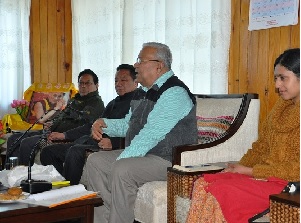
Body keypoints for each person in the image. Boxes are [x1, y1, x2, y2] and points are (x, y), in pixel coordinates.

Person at [87, 42, 198, 223]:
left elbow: (150, 135)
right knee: (96, 161)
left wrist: (121, 160)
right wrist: (102, 123)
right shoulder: (142, 92)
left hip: (169, 160)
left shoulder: (174, 93)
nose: (135, 65)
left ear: (158, 65)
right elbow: (129, 125)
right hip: (146, 155)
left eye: (140, 60)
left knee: (122, 169)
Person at [185, 48, 300, 223]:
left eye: (283, 78)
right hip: (266, 176)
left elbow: (297, 169)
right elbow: (260, 147)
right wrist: (238, 167)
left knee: (221, 191)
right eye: (276, 78)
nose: (277, 85)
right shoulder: (280, 108)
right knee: (203, 183)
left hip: (290, 188)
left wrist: (249, 171)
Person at [40, 64, 145, 185]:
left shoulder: (139, 102)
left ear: (136, 82)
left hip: (111, 145)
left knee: (75, 151)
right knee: (48, 151)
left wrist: (115, 142)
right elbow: (92, 125)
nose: (118, 84)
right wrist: (64, 135)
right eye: (116, 80)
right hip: (90, 140)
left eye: (124, 80)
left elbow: (137, 130)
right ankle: (60, 185)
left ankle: (69, 190)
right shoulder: (113, 103)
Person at [6, 69, 105, 166]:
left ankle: (23, 176)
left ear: (96, 85)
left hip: (66, 136)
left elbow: (84, 119)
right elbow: (62, 116)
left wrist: (62, 132)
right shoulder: (75, 100)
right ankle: (11, 171)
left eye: (87, 83)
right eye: (81, 83)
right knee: (13, 138)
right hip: (51, 131)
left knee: (27, 143)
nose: (83, 86)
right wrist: (51, 123)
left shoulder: (96, 102)